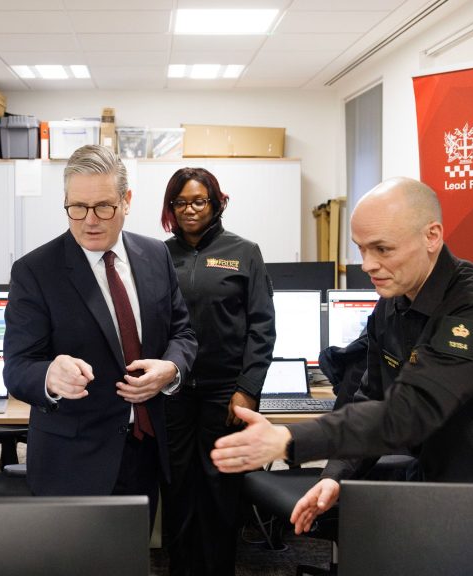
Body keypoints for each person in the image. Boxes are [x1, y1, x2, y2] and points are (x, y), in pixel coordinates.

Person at [211, 176, 473, 534]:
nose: (367, 264)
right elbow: (371, 396)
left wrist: (291, 440)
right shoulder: (392, 304)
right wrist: (336, 474)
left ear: (432, 236)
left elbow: (408, 413)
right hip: (440, 492)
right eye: (361, 249)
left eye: (382, 249)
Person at [2, 145, 197, 524]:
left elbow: (183, 333)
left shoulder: (156, 256)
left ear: (126, 201)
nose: (89, 220)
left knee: (132, 557)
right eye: (77, 207)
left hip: (144, 448)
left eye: (104, 206)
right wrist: (48, 376)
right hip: (72, 461)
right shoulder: (35, 271)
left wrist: (171, 369)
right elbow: (17, 367)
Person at [159, 167, 275, 576]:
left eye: (198, 201)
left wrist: (247, 389)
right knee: (177, 488)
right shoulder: (158, 255)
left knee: (220, 490)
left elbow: (262, 327)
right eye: (180, 202)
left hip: (224, 393)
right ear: (170, 207)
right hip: (172, 392)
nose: (189, 210)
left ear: (216, 202)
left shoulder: (244, 251)